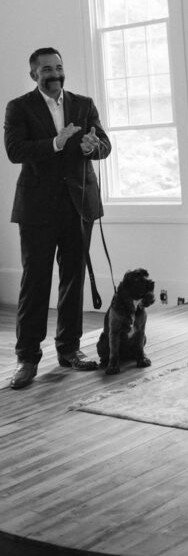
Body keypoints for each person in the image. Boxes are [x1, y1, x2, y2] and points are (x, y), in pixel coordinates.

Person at [4, 48, 111, 390]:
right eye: (47, 69)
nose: (55, 74)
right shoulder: (18, 107)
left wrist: (90, 146)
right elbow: (15, 151)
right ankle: (27, 358)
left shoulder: (83, 103)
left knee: (73, 278)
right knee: (35, 281)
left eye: (59, 67)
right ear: (33, 74)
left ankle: (69, 350)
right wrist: (54, 142)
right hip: (37, 208)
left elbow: (104, 145)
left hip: (79, 203)